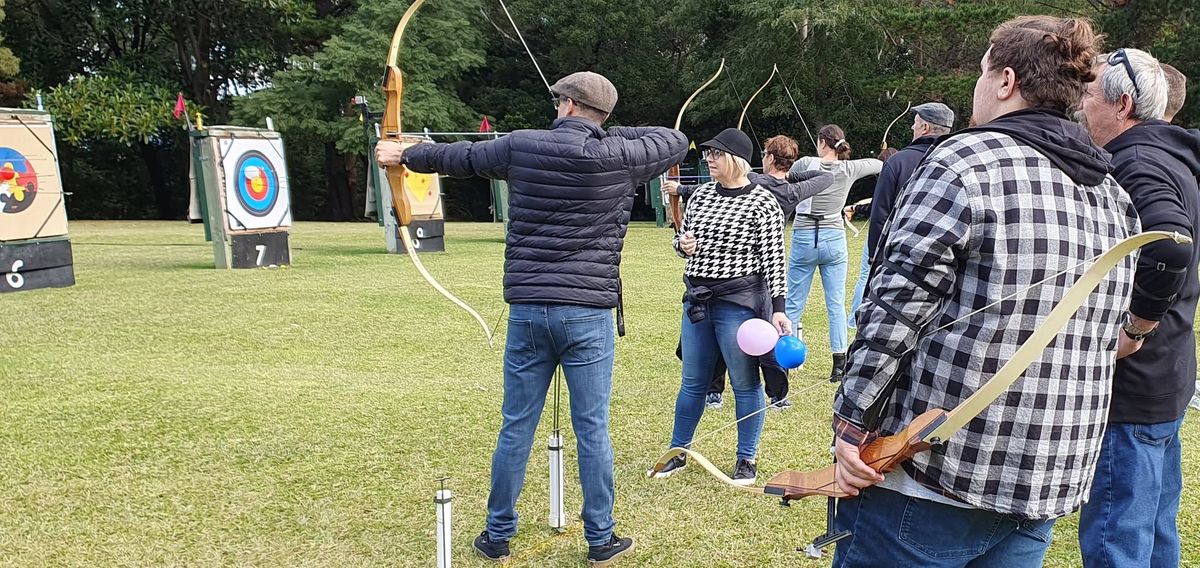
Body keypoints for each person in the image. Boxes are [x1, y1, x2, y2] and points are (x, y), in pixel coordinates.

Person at [829, 16, 1142, 567]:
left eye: (981, 71)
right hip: (1045, 476)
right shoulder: (1113, 193)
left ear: (1005, 81)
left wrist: (851, 422)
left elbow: (896, 307)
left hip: (937, 480)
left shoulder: (962, 162)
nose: (976, 85)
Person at [376, 71, 687, 566]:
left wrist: (405, 154)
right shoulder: (622, 157)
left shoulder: (522, 146)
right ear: (601, 115)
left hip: (529, 311)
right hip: (587, 313)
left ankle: (497, 535)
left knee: (516, 426)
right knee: (592, 428)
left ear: (565, 104)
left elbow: (463, 157)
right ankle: (600, 538)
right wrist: (603, 132)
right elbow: (675, 140)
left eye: (558, 102)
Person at [1075, 47, 1200, 568]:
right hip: (1167, 376)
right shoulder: (1172, 155)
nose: (1078, 103)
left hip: (1131, 387)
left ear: (1122, 103)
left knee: (1118, 541)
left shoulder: (1135, 162)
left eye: (1087, 92)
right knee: (1152, 535)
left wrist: (1136, 326)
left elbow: (1171, 245)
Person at [651, 128, 791, 485]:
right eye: (709, 154)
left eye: (716, 154)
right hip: (698, 300)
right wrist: (682, 244)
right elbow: (682, 241)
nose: (710, 160)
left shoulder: (763, 202)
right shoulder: (699, 196)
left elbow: (774, 259)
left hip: (739, 303)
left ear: (735, 159)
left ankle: (747, 459)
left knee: (745, 383)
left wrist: (778, 308)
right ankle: (676, 452)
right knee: (693, 382)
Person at [668, 135, 833, 409]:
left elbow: (734, 182)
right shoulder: (792, 190)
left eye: (767, 154)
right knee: (752, 343)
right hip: (724, 285)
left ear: (768, 158)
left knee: (745, 348)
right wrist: (789, 175)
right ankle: (778, 396)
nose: (711, 159)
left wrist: (681, 188)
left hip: (745, 283)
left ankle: (717, 391)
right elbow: (824, 178)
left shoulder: (757, 187)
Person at [786, 126, 883, 381]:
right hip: (834, 238)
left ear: (821, 141)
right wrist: (885, 153)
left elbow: (789, 175)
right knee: (836, 304)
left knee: (794, 302)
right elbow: (878, 165)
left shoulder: (807, 162)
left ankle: (784, 361)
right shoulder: (849, 168)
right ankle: (839, 365)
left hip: (805, 236)